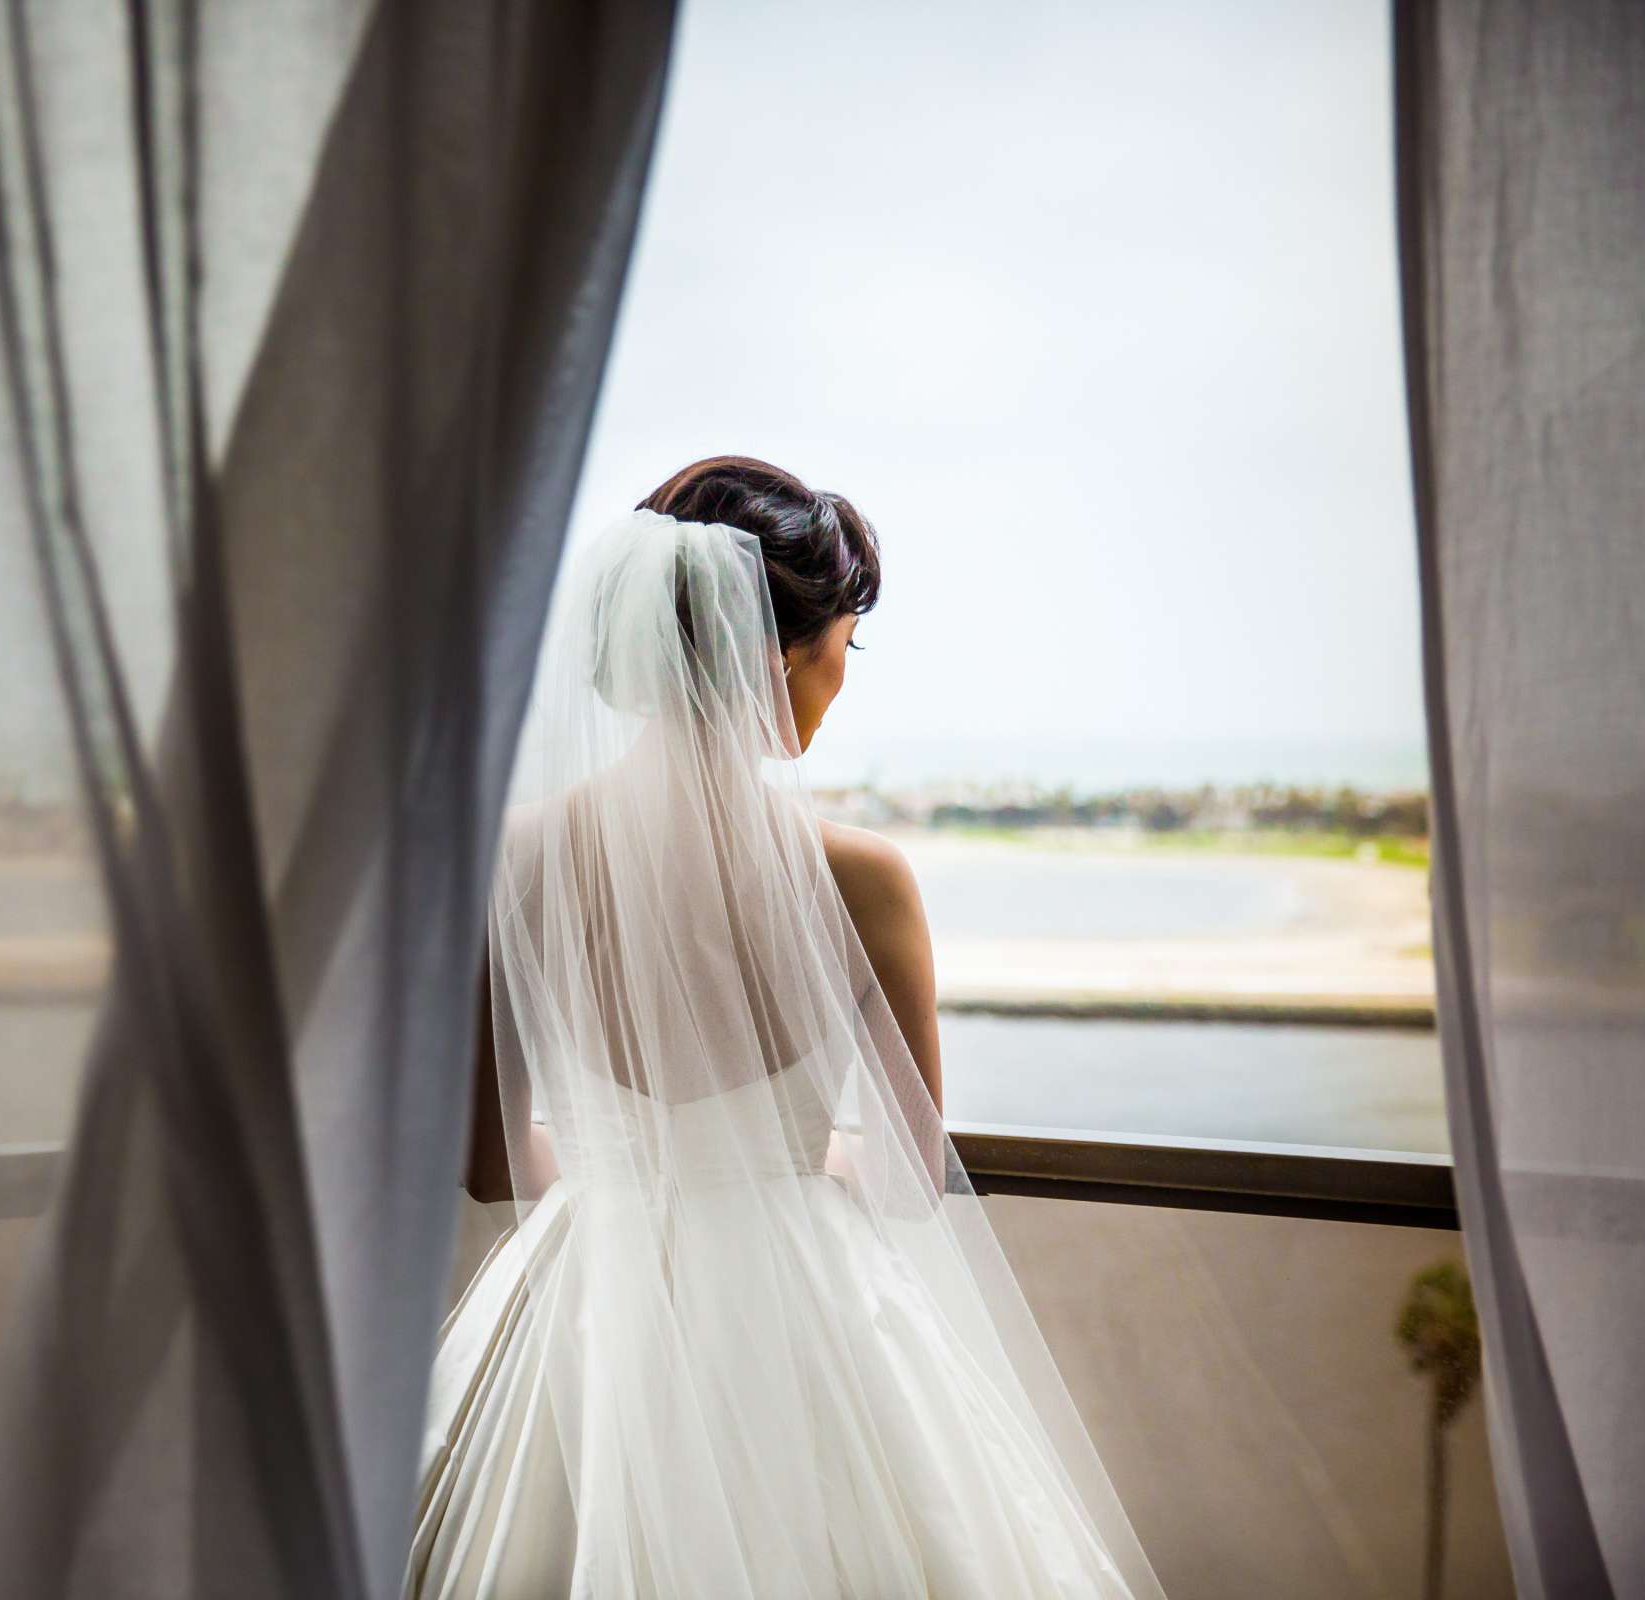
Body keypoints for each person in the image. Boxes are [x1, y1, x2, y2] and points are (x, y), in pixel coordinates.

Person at [408, 457, 1162, 1598]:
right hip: (800, 1318)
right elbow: (912, 1173)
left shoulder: (511, 857)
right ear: (777, 653)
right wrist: (789, 1159)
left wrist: (634, 1170)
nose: (838, 679)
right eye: (843, 648)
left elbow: (483, 1162)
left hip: (585, 1314)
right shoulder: (861, 877)